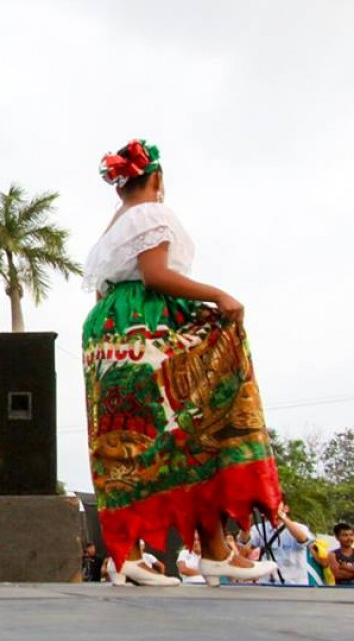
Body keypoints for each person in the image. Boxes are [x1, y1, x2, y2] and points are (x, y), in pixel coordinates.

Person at [83, 139, 280, 587]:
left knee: (129, 440)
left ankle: (138, 554)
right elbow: (156, 275)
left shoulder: (112, 230)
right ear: (156, 177)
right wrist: (218, 295)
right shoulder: (152, 213)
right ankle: (206, 551)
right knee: (194, 427)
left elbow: (102, 292)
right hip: (146, 323)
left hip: (109, 330)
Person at [241, 502, 314, 586]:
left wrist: (282, 516)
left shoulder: (299, 527)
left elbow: (304, 540)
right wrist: (247, 519)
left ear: (286, 509)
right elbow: (244, 541)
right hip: (267, 583)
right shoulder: (260, 528)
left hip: (294, 584)